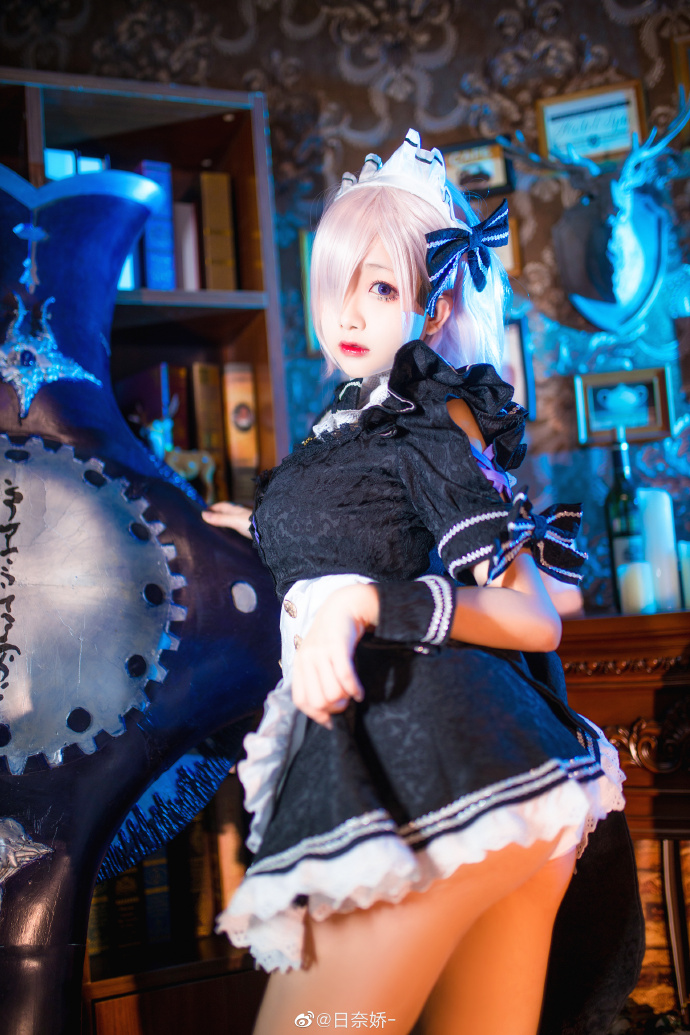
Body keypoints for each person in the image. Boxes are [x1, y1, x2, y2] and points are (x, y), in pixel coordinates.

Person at [203, 130, 640, 1035]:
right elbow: (368, 534)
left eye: (381, 287)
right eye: (337, 284)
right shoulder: (358, 422)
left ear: (434, 306)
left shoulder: (433, 419)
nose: (348, 312)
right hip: (469, 779)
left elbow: (534, 615)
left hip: (438, 775)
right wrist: (257, 528)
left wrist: (365, 602)